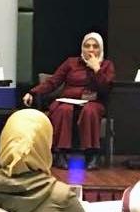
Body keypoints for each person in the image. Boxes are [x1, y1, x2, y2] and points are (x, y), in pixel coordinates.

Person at [22, 32, 114, 170]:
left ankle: (92, 155)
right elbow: (53, 82)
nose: (90, 50)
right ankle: (60, 154)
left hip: (92, 103)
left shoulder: (106, 65)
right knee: (64, 110)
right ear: (82, 48)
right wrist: (32, 92)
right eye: (87, 46)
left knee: (90, 111)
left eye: (95, 46)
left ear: (100, 49)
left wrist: (97, 69)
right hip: (68, 101)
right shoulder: (71, 63)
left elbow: (106, 88)